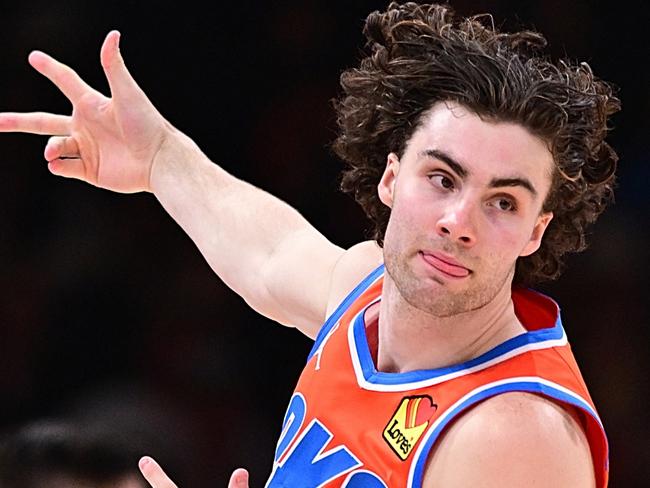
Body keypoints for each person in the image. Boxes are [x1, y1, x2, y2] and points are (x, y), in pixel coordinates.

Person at [0, 2, 619, 487]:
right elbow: (267, 252)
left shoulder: (512, 436)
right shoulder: (362, 292)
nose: (460, 221)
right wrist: (160, 157)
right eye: (442, 178)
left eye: (503, 202)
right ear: (390, 177)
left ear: (536, 229)